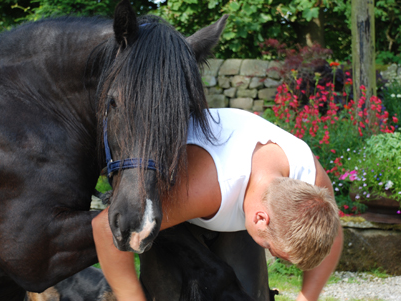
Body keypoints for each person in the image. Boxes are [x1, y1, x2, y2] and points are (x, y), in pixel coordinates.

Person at [92, 108, 343, 301]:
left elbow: (332, 234)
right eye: (273, 250)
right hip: (175, 195)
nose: (274, 256)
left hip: (231, 200)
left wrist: (306, 297)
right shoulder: (207, 187)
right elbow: (106, 228)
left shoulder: (312, 181)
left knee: (249, 292)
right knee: (169, 292)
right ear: (260, 218)